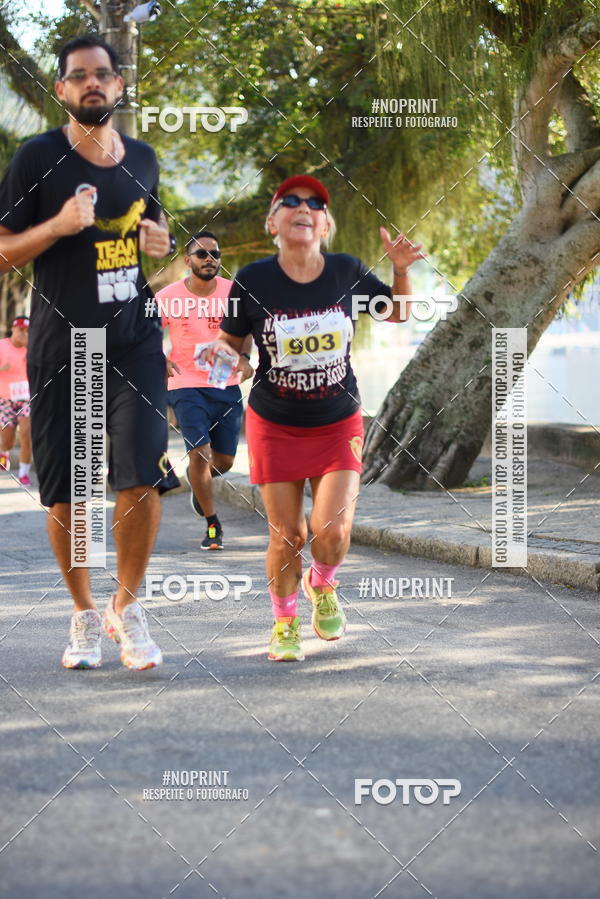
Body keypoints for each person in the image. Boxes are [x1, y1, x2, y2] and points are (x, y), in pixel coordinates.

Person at [0, 34, 179, 671]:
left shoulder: (147, 160)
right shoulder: (36, 157)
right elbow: (4, 249)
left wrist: (159, 243)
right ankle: (82, 611)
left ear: (119, 85)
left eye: (103, 74)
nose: (92, 83)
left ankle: (125, 609)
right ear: (63, 90)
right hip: (65, 343)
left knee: (139, 475)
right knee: (69, 492)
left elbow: (149, 234)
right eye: (80, 76)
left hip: (133, 340)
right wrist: (57, 227)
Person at [206, 174, 425, 661]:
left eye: (315, 204)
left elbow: (397, 312)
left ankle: (321, 584)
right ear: (272, 222)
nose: (303, 208)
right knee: (288, 536)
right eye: (290, 202)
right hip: (274, 422)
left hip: (337, 421)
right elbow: (234, 349)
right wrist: (229, 364)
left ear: (326, 225)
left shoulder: (345, 270)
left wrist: (401, 271)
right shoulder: (254, 280)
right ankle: (284, 623)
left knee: (332, 532)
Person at [157, 231, 253, 549]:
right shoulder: (168, 296)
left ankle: (201, 484)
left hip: (223, 382)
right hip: (184, 384)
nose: (210, 259)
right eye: (202, 254)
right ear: (188, 261)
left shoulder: (233, 292)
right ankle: (213, 525)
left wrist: (244, 358)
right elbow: (145, 333)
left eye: (215, 254)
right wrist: (159, 360)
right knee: (200, 452)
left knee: (223, 461)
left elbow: (246, 330)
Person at [0, 316, 32, 485]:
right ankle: (4, 452)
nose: (22, 334)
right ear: (13, 329)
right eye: (20, 330)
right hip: (5, 399)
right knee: (8, 439)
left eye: (26, 331)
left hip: (26, 398)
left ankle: (23, 472)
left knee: (27, 433)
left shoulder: (32, 348)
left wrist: (29, 348)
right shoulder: (2, 345)